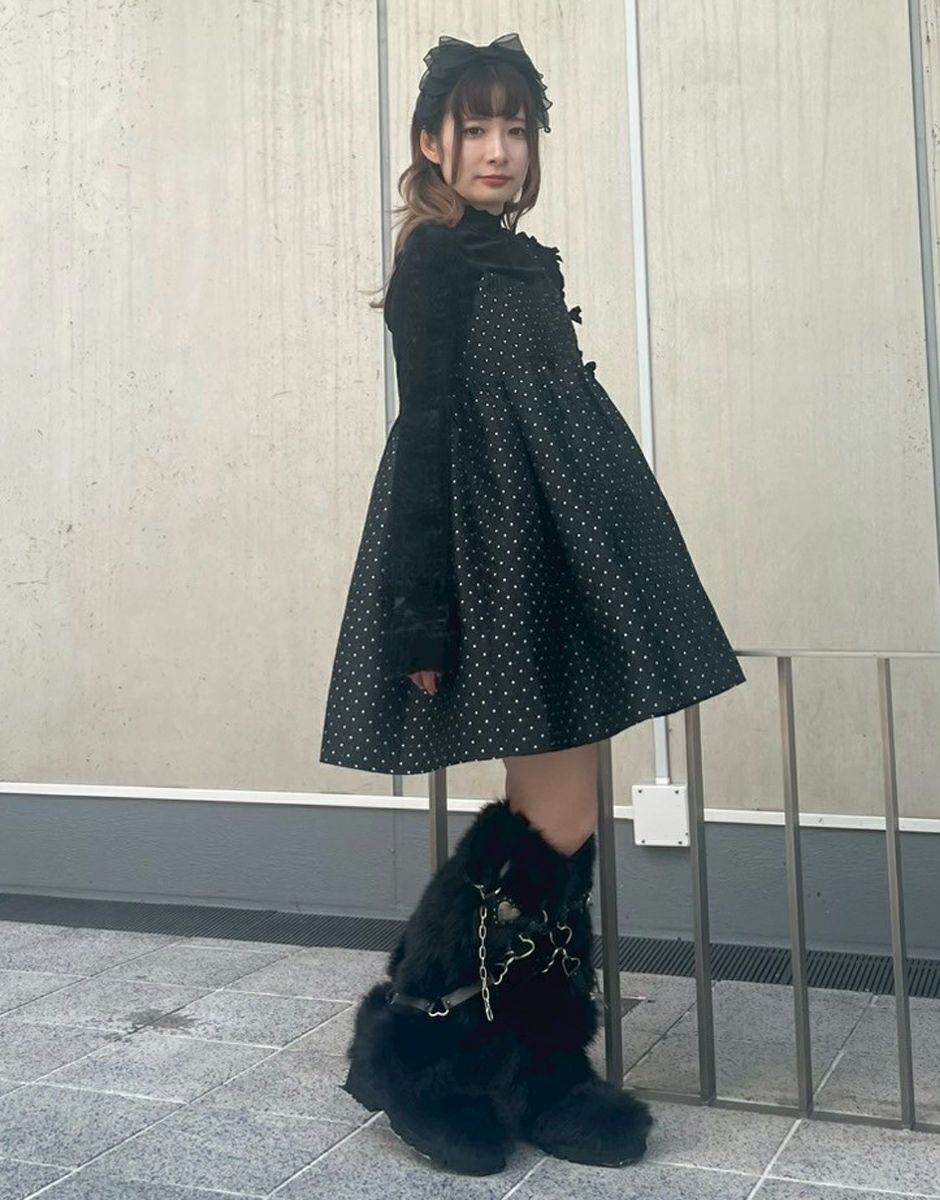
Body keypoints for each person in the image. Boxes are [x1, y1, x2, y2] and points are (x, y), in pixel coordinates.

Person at [321, 33, 747, 1175]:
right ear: (432, 142)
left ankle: (529, 1060)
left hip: (557, 553)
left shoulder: (518, 259)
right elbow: (426, 435)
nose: (499, 149)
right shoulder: (438, 263)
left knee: (565, 814)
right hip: (497, 561)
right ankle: (429, 1050)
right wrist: (421, 615)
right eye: (476, 128)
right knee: (554, 816)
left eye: (515, 127)